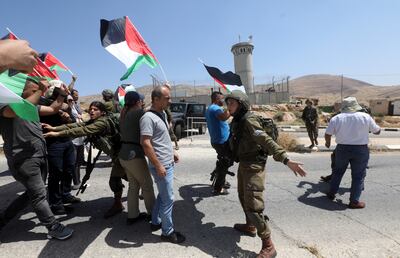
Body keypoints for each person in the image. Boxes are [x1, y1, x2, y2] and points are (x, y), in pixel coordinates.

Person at [225, 90, 306, 258]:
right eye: (228, 103)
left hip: (254, 166)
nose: (229, 106)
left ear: (241, 105)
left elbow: (266, 141)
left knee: (254, 205)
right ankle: (250, 225)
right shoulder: (237, 120)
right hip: (244, 164)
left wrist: (286, 160)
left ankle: (268, 245)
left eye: (232, 103)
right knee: (242, 196)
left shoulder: (249, 120)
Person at [0, 78, 73, 240]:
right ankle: (53, 226)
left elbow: (53, 109)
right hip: (24, 158)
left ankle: (4, 218)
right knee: (39, 194)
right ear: (21, 92)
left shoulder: (32, 106)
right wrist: (40, 89)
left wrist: (61, 95)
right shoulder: (5, 105)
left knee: (32, 194)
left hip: (39, 154)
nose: (39, 93)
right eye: (34, 91)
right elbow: (17, 110)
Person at [43, 101, 127, 218]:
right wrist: (55, 128)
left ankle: (134, 197)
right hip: (118, 156)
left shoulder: (102, 123)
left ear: (102, 112)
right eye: (90, 109)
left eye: (95, 109)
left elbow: (82, 131)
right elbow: (78, 125)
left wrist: (57, 134)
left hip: (122, 156)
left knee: (121, 179)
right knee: (123, 178)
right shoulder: (94, 121)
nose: (92, 111)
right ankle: (123, 200)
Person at [140, 85, 185, 244]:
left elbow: (161, 138)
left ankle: (155, 221)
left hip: (167, 161)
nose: (170, 101)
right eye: (167, 98)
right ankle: (167, 231)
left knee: (163, 194)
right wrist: (158, 165)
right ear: (156, 99)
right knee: (168, 199)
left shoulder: (162, 114)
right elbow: (146, 143)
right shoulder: (148, 118)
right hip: (161, 165)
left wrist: (172, 152)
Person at [325, 97, 380, 209]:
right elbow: (377, 131)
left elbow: (328, 133)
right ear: (355, 106)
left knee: (338, 171)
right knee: (358, 176)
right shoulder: (365, 117)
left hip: (342, 149)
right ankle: (354, 201)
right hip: (360, 150)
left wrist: (328, 143)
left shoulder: (337, 118)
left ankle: (331, 193)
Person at [40, 80, 80, 215]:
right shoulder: (44, 103)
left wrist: (68, 118)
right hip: (53, 143)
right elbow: (53, 108)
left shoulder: (64, 104)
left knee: (69, 169)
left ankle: (66, 194)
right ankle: (55, 203)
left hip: (66, 141)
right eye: (59, 90)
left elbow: (73, 122)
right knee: (56, 172)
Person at [119, 91, 155, 224]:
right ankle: (153, 214)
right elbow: (151, 110)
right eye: (141, 100)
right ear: (137, 102)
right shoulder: (139, 113)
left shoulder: (124, 113)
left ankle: (132, 215)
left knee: (133, 186)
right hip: (134, 155)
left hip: (124, 154)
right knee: (147, 185)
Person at [205, 91, 232, 195]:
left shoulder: (210, 108)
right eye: (222, 99)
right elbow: (224, 117)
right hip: (221, 141)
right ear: (216, 99)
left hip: (217, 140)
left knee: (224, 161)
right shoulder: (215, 108)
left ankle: (220, 177)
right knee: (225, 162)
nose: (223, 101)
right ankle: (218, 187)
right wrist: (230, 108)